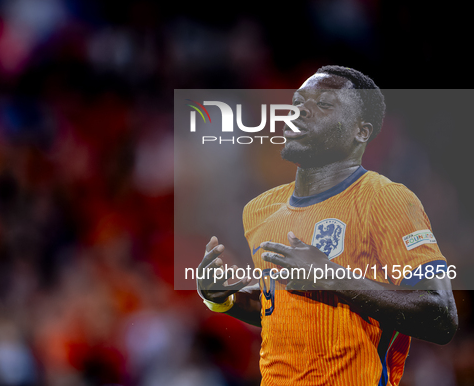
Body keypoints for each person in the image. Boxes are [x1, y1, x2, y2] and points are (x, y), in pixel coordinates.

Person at [196, 65, 458, 386]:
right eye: (297, 102)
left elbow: (440, 316)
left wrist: (330, 275)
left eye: (323, 104)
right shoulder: (259, 210)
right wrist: (223, 298)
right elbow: (280, 311)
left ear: (360, 132)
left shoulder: (385, 198)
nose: (300, 110)